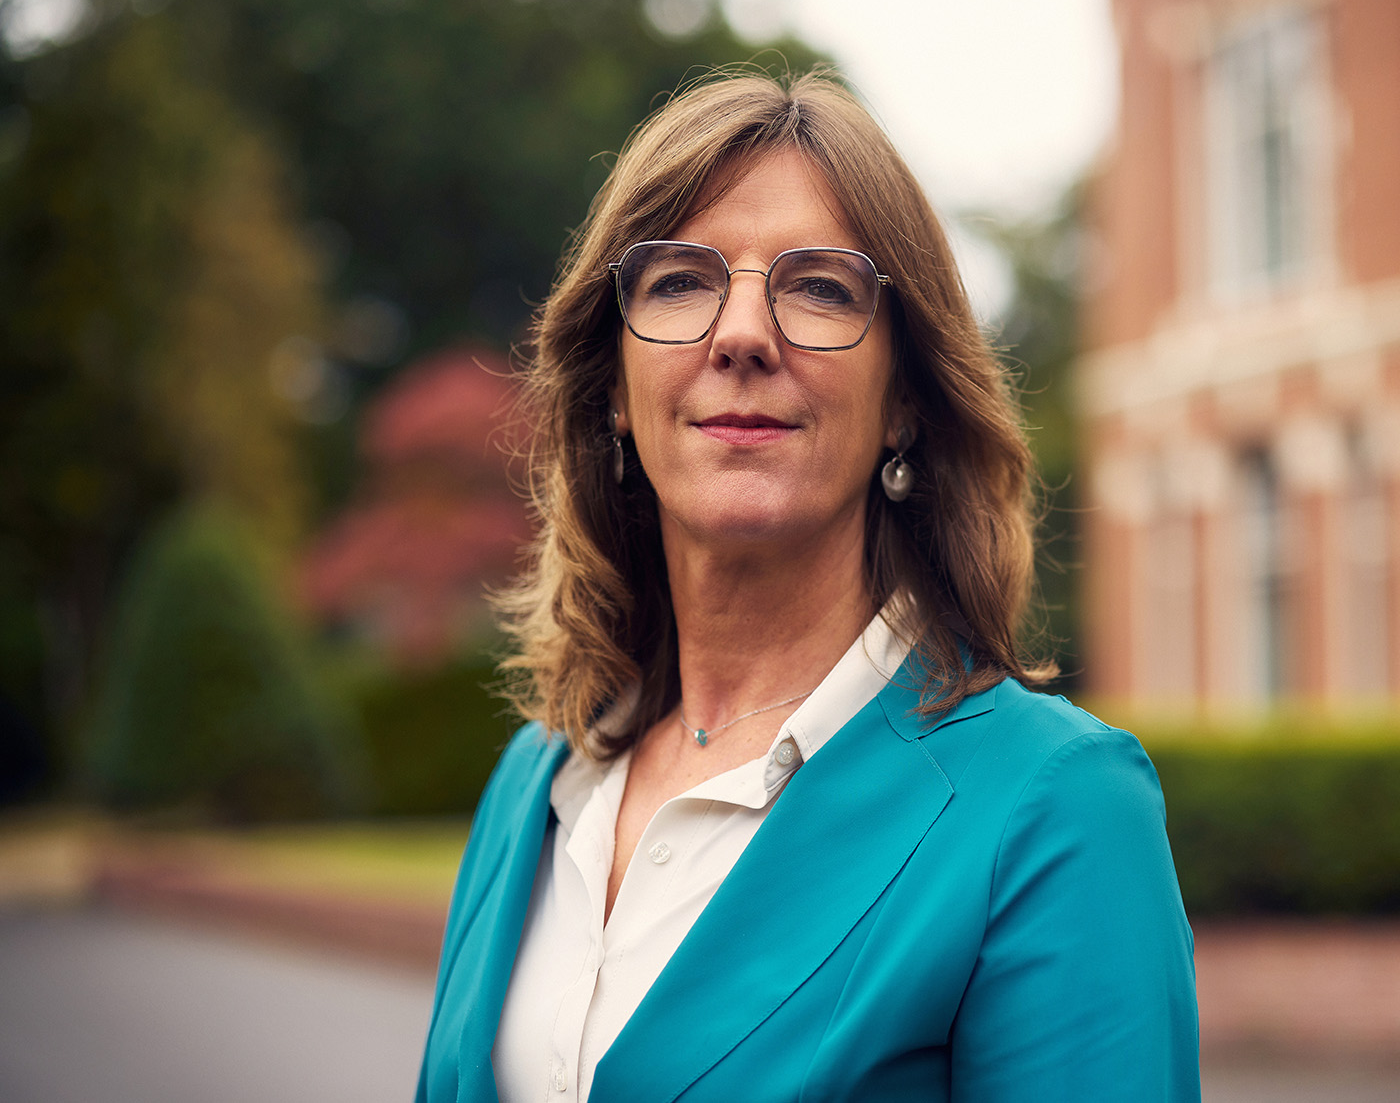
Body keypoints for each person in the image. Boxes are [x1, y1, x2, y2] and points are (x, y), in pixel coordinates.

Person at [413, 71, 1200, 1103]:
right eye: (680, 282)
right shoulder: (535, 787)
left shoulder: (1052, 809)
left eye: (819, 286)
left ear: (905, 403)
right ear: (611, 389)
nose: (741, 334)